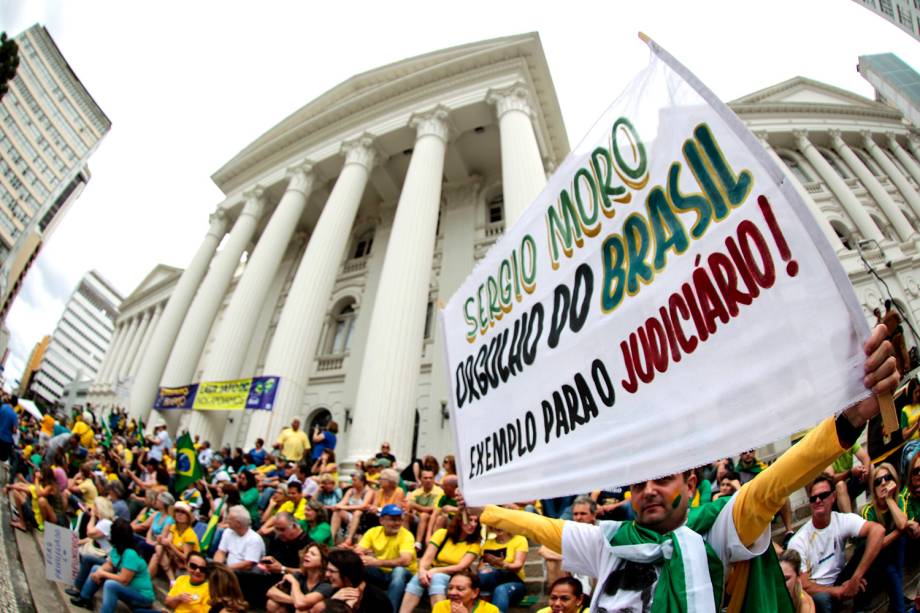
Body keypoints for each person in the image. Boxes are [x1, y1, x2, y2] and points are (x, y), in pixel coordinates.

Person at [470, 323, 898, 613]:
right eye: (638, 484)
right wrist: (486, 511)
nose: (649, 490)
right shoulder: (610, 542)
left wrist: (849, 420)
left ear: (691, 484)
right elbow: (546, 530)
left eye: (663, 479)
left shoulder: (714, 530)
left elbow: (771, 485)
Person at [787, 475, 885, 613]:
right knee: (822, 599)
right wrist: (838, 591)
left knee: (870, 547)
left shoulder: (840, 520)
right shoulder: (799, 540)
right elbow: (803, 585)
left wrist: (855, 579)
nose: (818, 500)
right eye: (813, 498)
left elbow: (878, 531)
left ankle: (860, 608)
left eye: (823, 495)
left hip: (840, 580)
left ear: (833, 497)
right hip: (817, 592)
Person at [399, 511, 481, 612]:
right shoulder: (442, 533)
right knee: (417, 578)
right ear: (459, 521)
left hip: (455, 576)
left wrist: (435, 571)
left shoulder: (475, 544)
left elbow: (461, 567)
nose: (473, 524)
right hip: (432, 571)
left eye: (476, 521)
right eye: (469, 520)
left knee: (437, 578)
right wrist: (422, 571)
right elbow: (427, 558)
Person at [69, 518, 156, 612]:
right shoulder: (117, 548)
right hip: (130, 590)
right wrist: (99, 572)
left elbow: (124, 580)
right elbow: (110, 564)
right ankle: (84, 598)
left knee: (110, 585)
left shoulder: (130, 554)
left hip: (142, 596)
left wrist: (102, 574)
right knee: (96, 568)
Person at [857, 462, 908, 613]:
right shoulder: (868, 511)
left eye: (887, 478)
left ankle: (897, 605)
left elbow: (902, 523)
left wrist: (889, 499)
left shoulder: (898, 500)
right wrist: (900, 530)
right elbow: (874, 546)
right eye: (878, 481)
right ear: (873, 487)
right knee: (890, 566)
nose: (883, 483)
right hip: (872, 563)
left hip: (893, 557)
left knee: (899, 544)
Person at [356, 503, 417, 611]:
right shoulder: (373, 532)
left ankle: (389, 610)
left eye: (399, 519)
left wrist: (376, 562)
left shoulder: (406, 535)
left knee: (399, 571)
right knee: (359, 565)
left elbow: (406, 561)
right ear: (381, 521)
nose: (397, 523)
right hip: (382, 573)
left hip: (406, 575)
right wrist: (361, 556)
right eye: (393, 519)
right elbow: (358, 551)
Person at [539, 496, 595, 594]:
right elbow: (543, 550)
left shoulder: (601, 529)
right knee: (552, 560)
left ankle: (585, 599)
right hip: (572, 570)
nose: (578, 517)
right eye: (575, 514)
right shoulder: (568, 529)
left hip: (594, 570)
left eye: (583, 514)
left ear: (593, 515)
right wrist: (568, 558)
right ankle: (560, 596)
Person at [67, 498, 116, 600]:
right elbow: (92, 537)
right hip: (107, 556)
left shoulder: (106, 523)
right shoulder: (103, 522)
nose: (93, 509)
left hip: (109, 558)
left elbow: (90, 532)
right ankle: (77, 584)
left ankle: (78, 588)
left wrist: (92, 517)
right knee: (82, 553)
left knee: (88, 558)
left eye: (95, 507)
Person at [265, 543, 335, 612]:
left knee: (302, 611)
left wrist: (294, 582)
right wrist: (295, 600)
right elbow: (271, 592)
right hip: (296, 607)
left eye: (313, 554)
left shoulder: (326, 584)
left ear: (323, 561)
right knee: (272, 604)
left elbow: (301, 604)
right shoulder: (299, 575)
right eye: (307, 552)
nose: (307, 555)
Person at [477, 525, 528, 613]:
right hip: (492, 580)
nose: (498, 527)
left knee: (501, 590)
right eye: (495, 524)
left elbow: (518, 565)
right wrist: (485, 567)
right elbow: (480, 568)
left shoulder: (519, 539)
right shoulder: (487, 543)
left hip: (514, 581)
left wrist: (502, 564)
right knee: (484, 573)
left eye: (501, 524)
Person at [326, 548, 393, 613]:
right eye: (327, 570)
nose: (327, 574)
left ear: (347, 575)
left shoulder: (377, 600)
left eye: (332, 571)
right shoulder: (335, 592)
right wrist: (333, 603)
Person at [149, 501, 200, 583]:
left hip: (188, 564)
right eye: (177, 511)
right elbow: (168, 542)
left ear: (188, 517)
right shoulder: (174, 527)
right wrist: (161, 540)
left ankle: (171, 580)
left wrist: (169, 545)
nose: (179, 514)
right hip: (174, 558)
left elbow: (186, 557)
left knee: (157, 556)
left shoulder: (190, 534)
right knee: (158, 549)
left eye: (183, 512)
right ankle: (171, 579)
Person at [214, 505, 265, 571]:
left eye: (229, 519)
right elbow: (221, 552)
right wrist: (217, 566)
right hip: (226, 568)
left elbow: (248, 564)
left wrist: (225, 569)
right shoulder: (228, 531)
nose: (227, 521)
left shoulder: (254, 539)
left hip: (245, 573)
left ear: (238, 523)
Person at [330, 470, 374, 546]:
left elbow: (364, 506)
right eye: (352, 480)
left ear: (362, 481)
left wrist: (344, 507)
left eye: (354, 480)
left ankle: (349, 539)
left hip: (362, 516)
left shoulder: (369, 491)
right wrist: (336, 506)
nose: (352, 482)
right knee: (337, 512)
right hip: (349, 515)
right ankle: (331, 537)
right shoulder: (350, 491)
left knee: (357, 512)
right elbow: (342, 503)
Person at [406, 469, 444, 550]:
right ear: (420, 479)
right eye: (425, 478)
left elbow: (433, 509)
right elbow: (409, 505)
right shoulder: (416, 492)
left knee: (424, 515)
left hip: (432, 518)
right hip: (417, 516)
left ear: (434, 479)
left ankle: (418, 543)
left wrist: (416, 507)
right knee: (405, 515)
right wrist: (412, 509)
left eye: (430, 478)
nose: (428, 480)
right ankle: (406, 542)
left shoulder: (439, 492)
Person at [429, 570, 499, 613]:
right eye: (450, 588)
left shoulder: (490, 610)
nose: (452, 592)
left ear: (475, 593)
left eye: (460, 589)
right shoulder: (440, 606)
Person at [0, 394, 18, 468]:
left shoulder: (3, 407)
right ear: (15, 404)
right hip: (5, 440)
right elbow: (14, 430)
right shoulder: (14, 415)